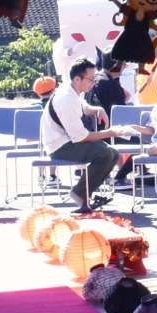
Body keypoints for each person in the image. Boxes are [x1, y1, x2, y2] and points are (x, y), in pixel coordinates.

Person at [41, 58, 138, 211]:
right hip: (59, 147)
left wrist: (96, 109)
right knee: (105, 154)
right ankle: (79, 194)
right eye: (91, 79)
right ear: (77, 79)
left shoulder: (72, 90)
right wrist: (111, 132)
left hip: (68, 142)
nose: (94, 82)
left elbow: (82, 105)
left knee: (112, 153)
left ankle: (85, 194)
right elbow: (82, 137)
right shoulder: (66, 99)